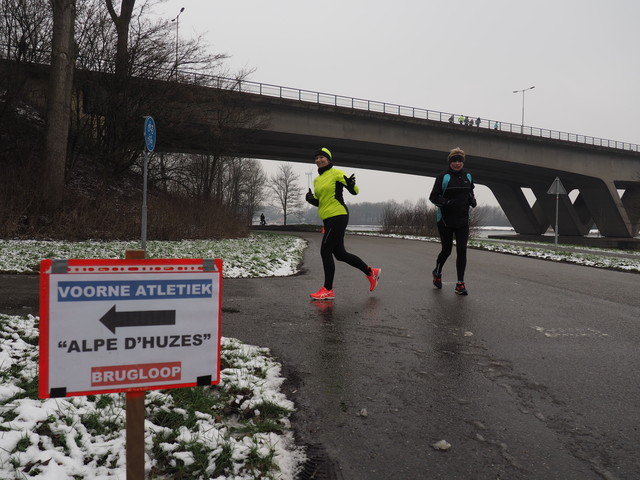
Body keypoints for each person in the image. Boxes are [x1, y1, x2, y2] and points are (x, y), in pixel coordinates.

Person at [305, 147, 381, 300]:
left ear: (329, 159)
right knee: (340, 254)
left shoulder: (337, 173)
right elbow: (323, 202)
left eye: (322, 157)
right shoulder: (317, 180)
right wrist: (312, 200)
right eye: (317, 157)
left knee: (325, 251)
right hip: (328, 218)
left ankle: (328, 289)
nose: (319, 160)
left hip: (338, 215)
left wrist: (351, 185)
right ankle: (370, 272)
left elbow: (355, 191)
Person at [429, 147, 476, 295]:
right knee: (447, 250)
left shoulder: (468, 176)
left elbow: (470, 192)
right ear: (450, 162)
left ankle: (460, 283)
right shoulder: (443, 177)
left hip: (462, 220)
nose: (457, 164)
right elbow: (433, 197)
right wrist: (446, 203)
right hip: (445, 220)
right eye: (454, 161)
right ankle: (437, 272)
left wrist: (472, 200)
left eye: (460, 161)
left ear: (463, 162)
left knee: (462, 250)